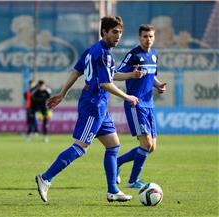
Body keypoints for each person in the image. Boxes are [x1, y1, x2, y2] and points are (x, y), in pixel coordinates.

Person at [35, 16, 142, 203]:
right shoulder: (103, 54)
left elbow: (78, 72)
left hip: (99, 107)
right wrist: (127, 97)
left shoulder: (94, 50)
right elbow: (105, 83)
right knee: (80, 147)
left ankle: (113, 191)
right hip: (93, 106)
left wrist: (131, 75)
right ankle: (45, 178)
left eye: (120, 33)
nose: (118, 36)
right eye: (114, 32)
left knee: (113, 145)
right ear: (104, 32)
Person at [114, 24, 167, 188]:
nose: (148, 39)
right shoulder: (133, 55)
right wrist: (132, 74)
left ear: (154, 37)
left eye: (151, 36)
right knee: (146, 145)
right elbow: (115, 75)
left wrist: (158, 85)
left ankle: (116, 163)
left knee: (152, 148)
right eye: (145, 36)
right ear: (139, 37)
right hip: (135, 104)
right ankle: (132, 181)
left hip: (149, 104)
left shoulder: (154, 55)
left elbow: (152, 77)